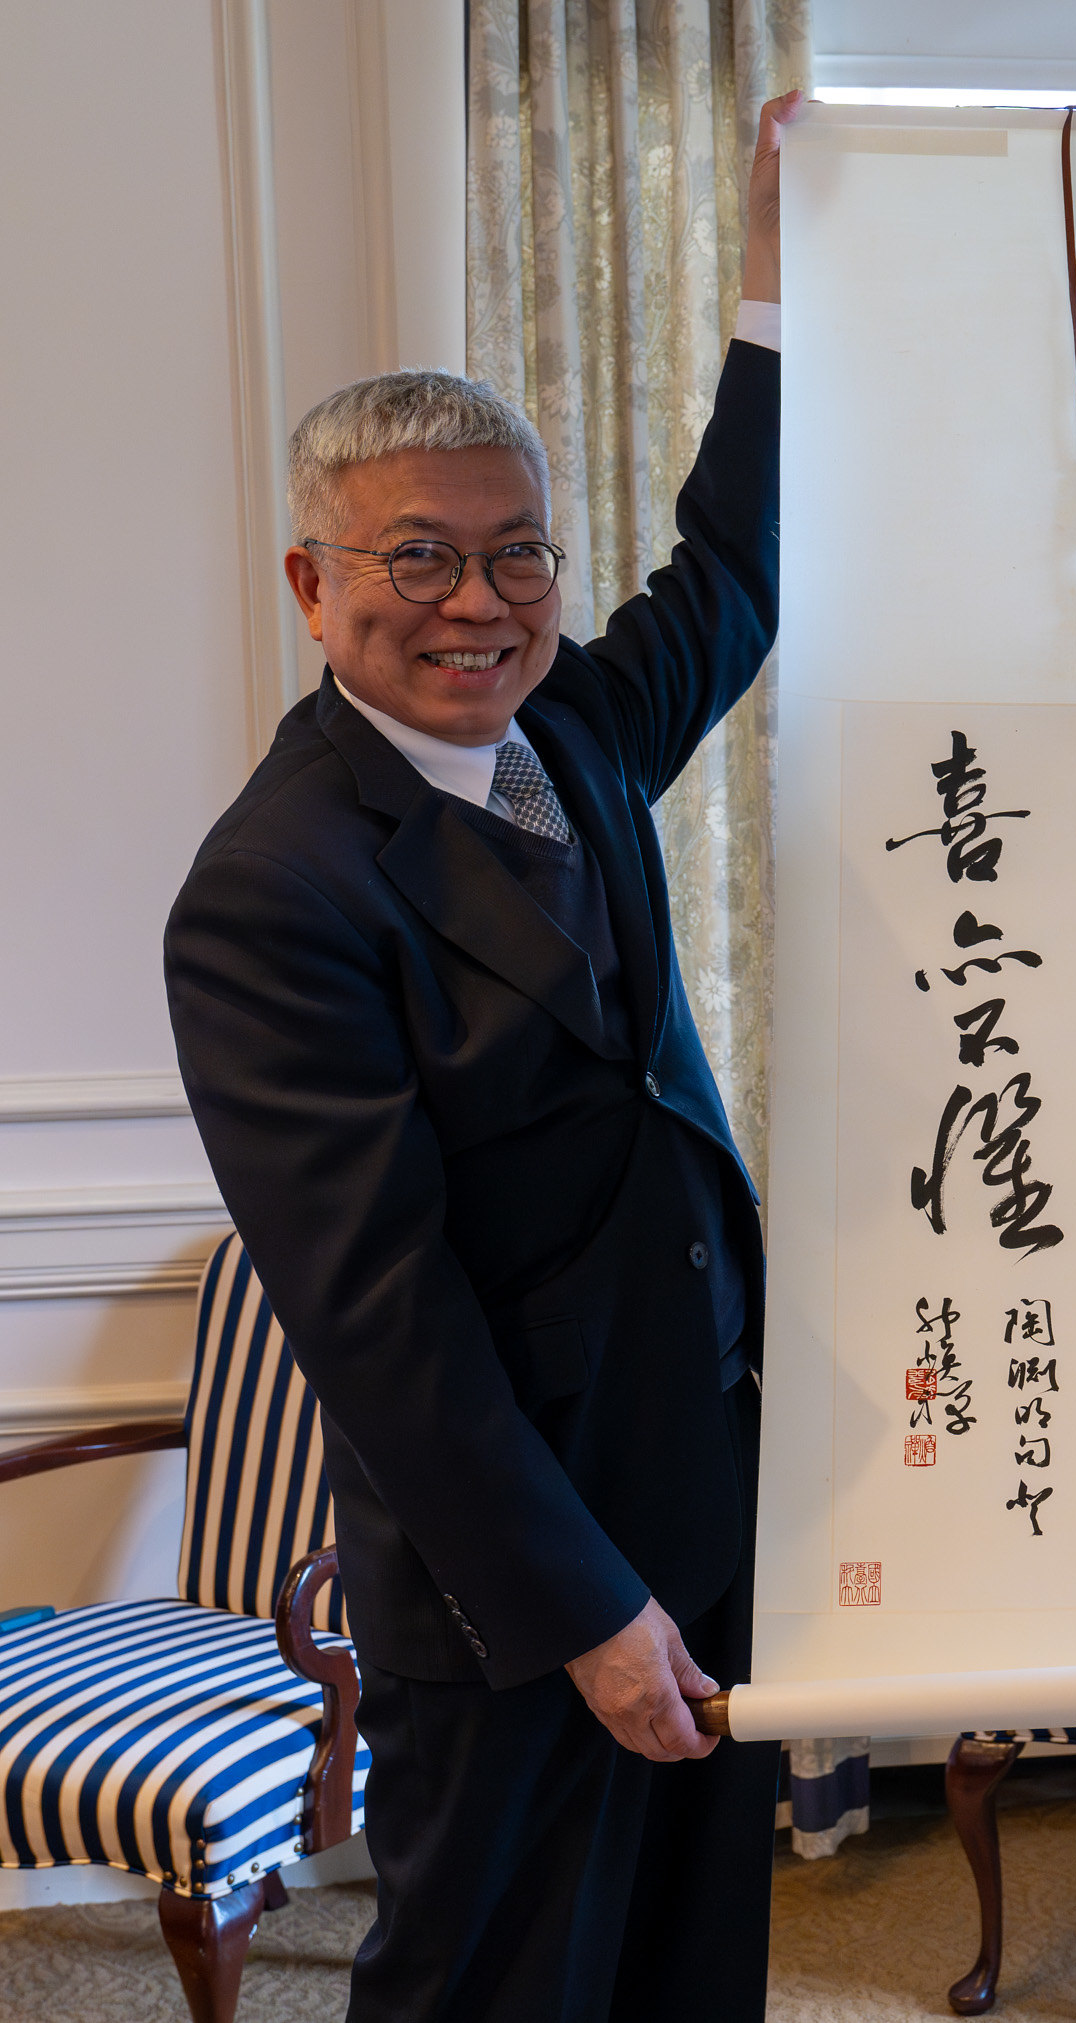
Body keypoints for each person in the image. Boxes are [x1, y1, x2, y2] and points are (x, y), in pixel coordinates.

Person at [164, 90, 802, 2023]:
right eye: (416, 559)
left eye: (515, 556)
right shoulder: (275, 889)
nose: (476, 603)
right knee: (495, 1984)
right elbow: (384, 1323)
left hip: (701, 1491)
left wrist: (777, 282)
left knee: (689, 1973)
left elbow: (734, 572)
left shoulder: (574, 733)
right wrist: (591, 1615)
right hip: (514, 1582)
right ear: (313, 584)